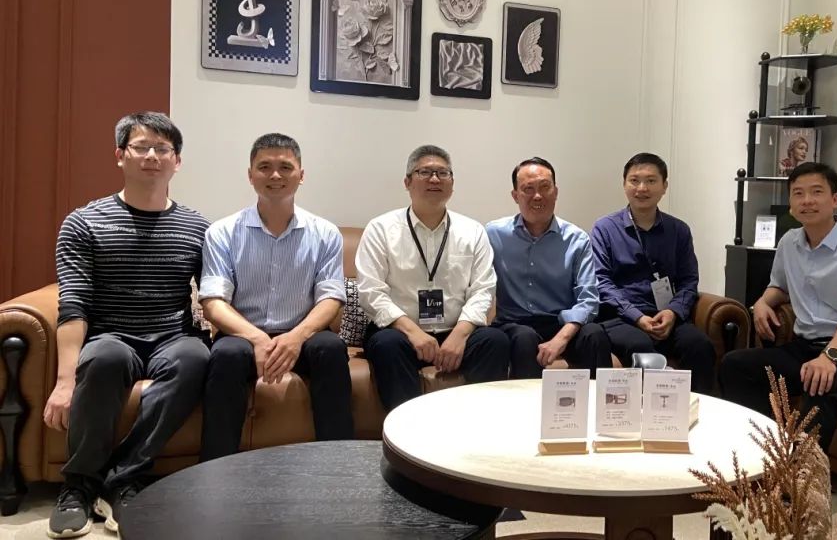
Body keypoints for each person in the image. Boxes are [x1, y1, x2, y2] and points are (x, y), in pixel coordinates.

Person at [44, 112, 210, 538]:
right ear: (120, 155)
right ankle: (79, 485)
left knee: (196, 357)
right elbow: (73, 305)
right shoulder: (84, 222)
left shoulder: (197, 227)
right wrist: (64, 382)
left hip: (172, 337)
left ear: (177, 161)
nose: (152, 156)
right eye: (141, 147)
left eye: (163, 149)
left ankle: (124, 479)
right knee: (103, 358)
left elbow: (215, 294)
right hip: (110, 335)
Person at [199, 133, 354, 462]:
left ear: (301, 175)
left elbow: (331, 297)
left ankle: (338, 464)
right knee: (226, 354)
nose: (275, 175)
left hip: (303, 336)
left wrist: (296, 337)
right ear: (250, 174)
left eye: (285, 167)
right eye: (264, 167)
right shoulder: (222, 232)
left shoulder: (325, 232)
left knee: (330, 348)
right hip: (242, 335)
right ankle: (215, 469)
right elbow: (213, 302)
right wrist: (257, 338)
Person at [720, 162, 837, 451]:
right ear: (791, 203)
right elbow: (780, 287)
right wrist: (762, 302)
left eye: (816, 192)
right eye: (798, 193)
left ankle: (801, 476)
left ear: (835, 199)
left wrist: (829, 357)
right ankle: (761, 453)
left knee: (820, 383)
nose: (807, 200)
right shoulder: (790, 242)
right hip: (804, 347)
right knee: (735, 366)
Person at [356, 145, 510, 412]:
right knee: (386, 345)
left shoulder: (472, 230)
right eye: (425, 172)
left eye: (442, 173)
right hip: (400, 332)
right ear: (407, 182)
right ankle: (409, 429)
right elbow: (371, 291)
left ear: (452, 183)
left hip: (455, 330)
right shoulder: (380, 229)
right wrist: (413, 332)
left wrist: (460, 334)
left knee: (495, 341)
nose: (435, 179)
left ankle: (478, 424)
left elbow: (483, 289)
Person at [590, 153, 717, 394]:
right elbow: (602, 282)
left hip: (667, 315)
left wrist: (673, 312)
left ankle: (699, 410)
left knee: (700, 345)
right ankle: (650, 414)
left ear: (664, 186)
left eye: (651, 181)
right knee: (641, 347)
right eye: (634, 180)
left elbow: (689, 280)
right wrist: (637, 316)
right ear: (624, 184)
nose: (642, 188)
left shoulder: (678, 230)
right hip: (620, 318)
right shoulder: (605, 228)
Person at [486, 157, 611, 379]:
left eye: (545, 187)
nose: (537, 196)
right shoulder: (493, 234)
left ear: (556, 192)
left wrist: (562, 338)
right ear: (515, 196)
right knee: (524, 338)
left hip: (560, 321)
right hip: (514, 323)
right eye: (528, 189)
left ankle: (598, 400)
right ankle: (528, 402)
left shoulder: (577, 239)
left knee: (594, 334)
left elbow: (589, 298)